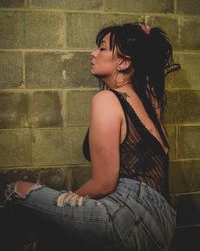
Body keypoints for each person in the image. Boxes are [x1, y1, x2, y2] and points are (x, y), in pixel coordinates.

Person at [0, 22, 180, 251]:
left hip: (129, 217)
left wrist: (67, 199)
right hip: (162, 225)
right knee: (50, 240)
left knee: (15, 193)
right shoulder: (149, 101)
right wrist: (144, 42)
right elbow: (151, 71)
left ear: (124, 62)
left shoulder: (107, 100)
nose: (93, 53)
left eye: (103, 48)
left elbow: (104, 183)